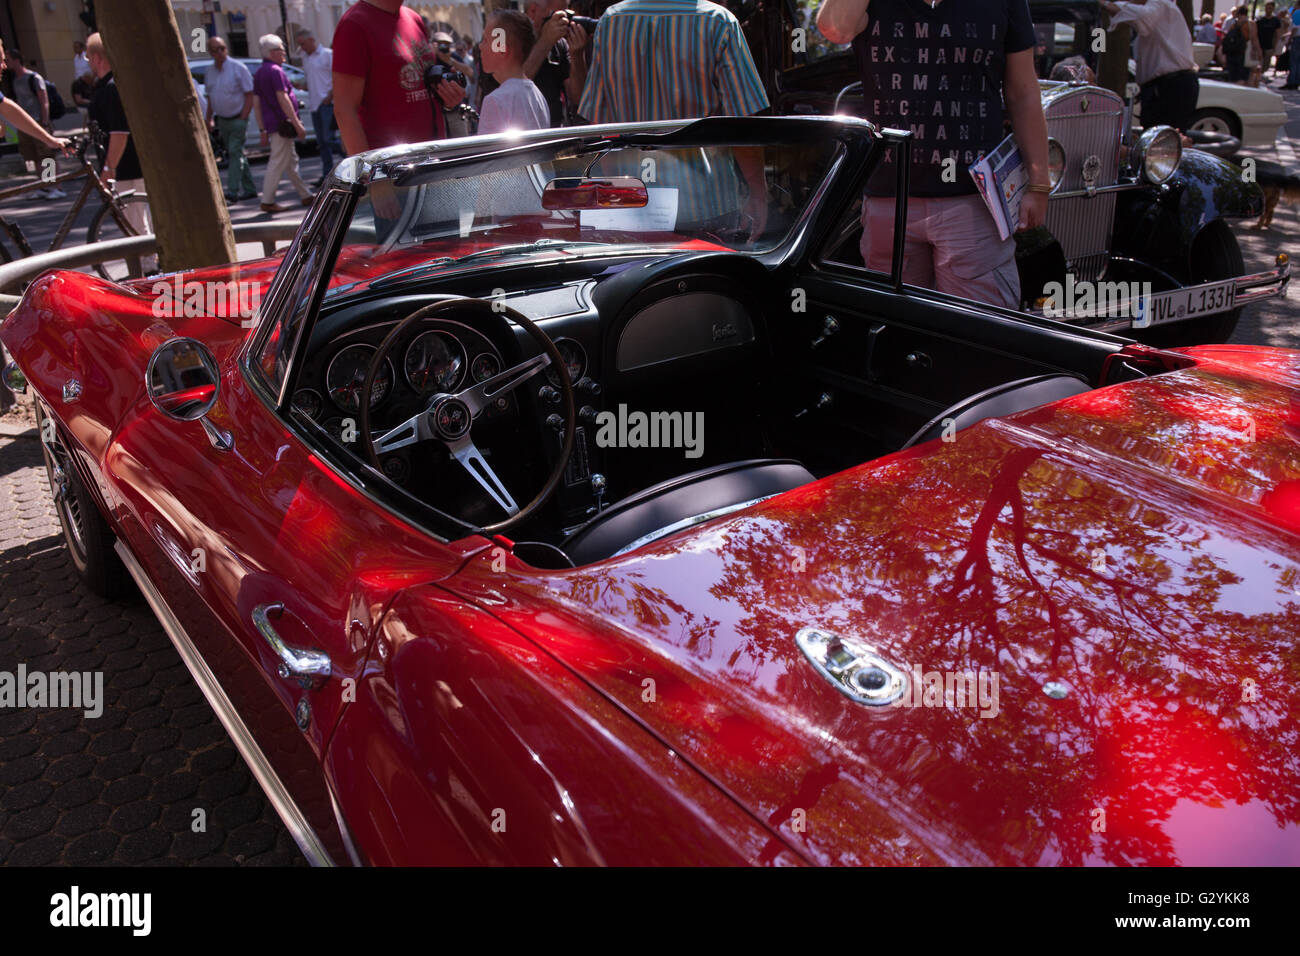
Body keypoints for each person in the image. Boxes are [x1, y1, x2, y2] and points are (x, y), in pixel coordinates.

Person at [816, 0, 1049, 310]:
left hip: (973, 199)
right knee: (896, 332)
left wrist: (1040, 182)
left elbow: (1023, 92)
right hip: (891, 200)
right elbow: (835, 28)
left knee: (977, 335)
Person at [579, 0, 771, 238]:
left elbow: (600, 123)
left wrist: (614, 189)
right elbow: (742, 124)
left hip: (632, 204)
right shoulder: (718, 22)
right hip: (706, 205)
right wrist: (758, 194)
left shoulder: (611, 21)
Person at [85, 32, 154, 271]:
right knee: (136, 220)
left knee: (135, 223)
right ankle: (148, 267)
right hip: (129, 164)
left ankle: (149, 270)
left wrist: (109, 167)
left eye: (88, 58)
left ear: (96, 58)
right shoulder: (113, 85)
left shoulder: (112, 88)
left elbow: (119, 132)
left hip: (126, 166)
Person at [1100, 1, 1198, 132]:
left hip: (1170, 86)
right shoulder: (1160, 13)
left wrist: (1106, 4)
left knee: (1163, 139)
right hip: (1166, 85)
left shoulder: (1160, 3)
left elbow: (1142, 16)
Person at [252, 34, 311, 213]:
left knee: (291, 160)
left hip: (274, 124)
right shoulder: (276, 71)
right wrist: (297, 124)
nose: (284, 52)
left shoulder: (260, 72)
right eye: (280, 48)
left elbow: (256, 103)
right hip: (282, 124)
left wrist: (262, 128)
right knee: (278, 161)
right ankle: (267, 200)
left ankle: (305, 194)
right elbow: (283, 97)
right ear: (271, 52)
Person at [3, 49, 64, 199]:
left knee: (46, 155)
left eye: (7, 60)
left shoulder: (34, 78)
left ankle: (54, 186)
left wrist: (44, 121)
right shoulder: (14, 80)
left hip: (37, 121)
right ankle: (43, 186)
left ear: (17, 60)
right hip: (24, 124)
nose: (5, 65)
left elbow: (44, 101)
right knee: (34, 156)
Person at [477, 10, 549, 135]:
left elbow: (487, 154)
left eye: (485, 40)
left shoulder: (495, 100)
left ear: (501, 49)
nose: (480, 46)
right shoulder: (538, 96)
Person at [203, 36, 257, 202]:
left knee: (234, 152)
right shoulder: (209, 72)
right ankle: (250, 189)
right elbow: (210, 97)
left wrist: (243, 117)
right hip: (222, 119)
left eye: (222, 48)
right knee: (237, 153)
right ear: (210, 52)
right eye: (215, 50)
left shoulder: (238, 68)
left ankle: (232, 191)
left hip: (238, 118)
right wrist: (209, 118)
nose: (219, 53)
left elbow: (250, 94)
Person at [295, 29, 341, 185]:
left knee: (329, 139)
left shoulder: (327, 55)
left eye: (303, 44)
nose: (302, 47)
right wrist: (302, 86)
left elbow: (338, 76)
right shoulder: (306, 59)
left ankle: (351, 155)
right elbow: (313, 81)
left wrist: (330, 96)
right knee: (322, 143)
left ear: (311, 40)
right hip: (314, 104)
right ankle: (327, 175)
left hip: (326, 103)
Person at [1258, 2, 1283, 75]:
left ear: (1273, 9)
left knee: (1266, 65)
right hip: (1260, 45)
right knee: (1259, 64)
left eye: (1270, 8)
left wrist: (1274, 46)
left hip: (1269, 46)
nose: (1268, 10)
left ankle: (1261, 75)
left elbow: (1277, 34)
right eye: (1267, 8)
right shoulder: (1260, 20)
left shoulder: (1276, 21)